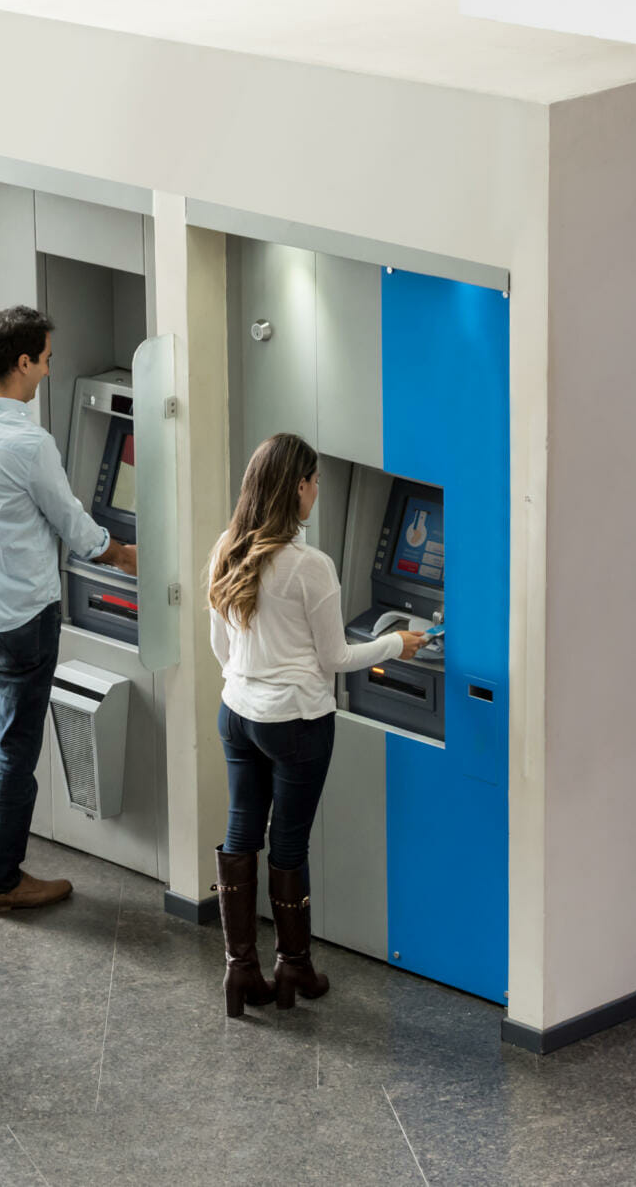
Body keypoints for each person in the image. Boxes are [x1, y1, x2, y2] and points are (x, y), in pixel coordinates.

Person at [0, 305, 139, 914]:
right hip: (24, 612)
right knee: (16, 747)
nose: (50, 369)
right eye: (46, 359)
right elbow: (75, 526)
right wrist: (122, 553)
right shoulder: (27, 442)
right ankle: (1, 882)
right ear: (22, 362)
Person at [207, 433, 425, 1016]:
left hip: (237, 715)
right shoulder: (310, 566)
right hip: (297, 723)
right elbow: (335, 659)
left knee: (240, 836)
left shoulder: (227, 547)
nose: (318, 491)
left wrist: (252, 680)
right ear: (297, 487)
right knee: (288, 844)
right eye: (315, 482)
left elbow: (220, 646)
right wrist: (395, 644)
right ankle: (293, 968)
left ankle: (240, 972)